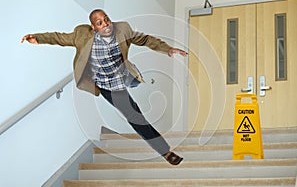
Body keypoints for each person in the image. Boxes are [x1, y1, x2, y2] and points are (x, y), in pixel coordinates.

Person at [21, 9, 187, 165]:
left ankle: (134, 81)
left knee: (134, 86)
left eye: (106, 19)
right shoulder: (81, 35)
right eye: (100, 23)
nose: (105, 24)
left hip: (123, 75)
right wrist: (38, 37)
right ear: (93, 28)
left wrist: (168, 49)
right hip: (108, 86)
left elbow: (145, 39)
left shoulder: (122, 30)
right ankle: (165, 152)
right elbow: (59, 38)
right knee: (135, 116)